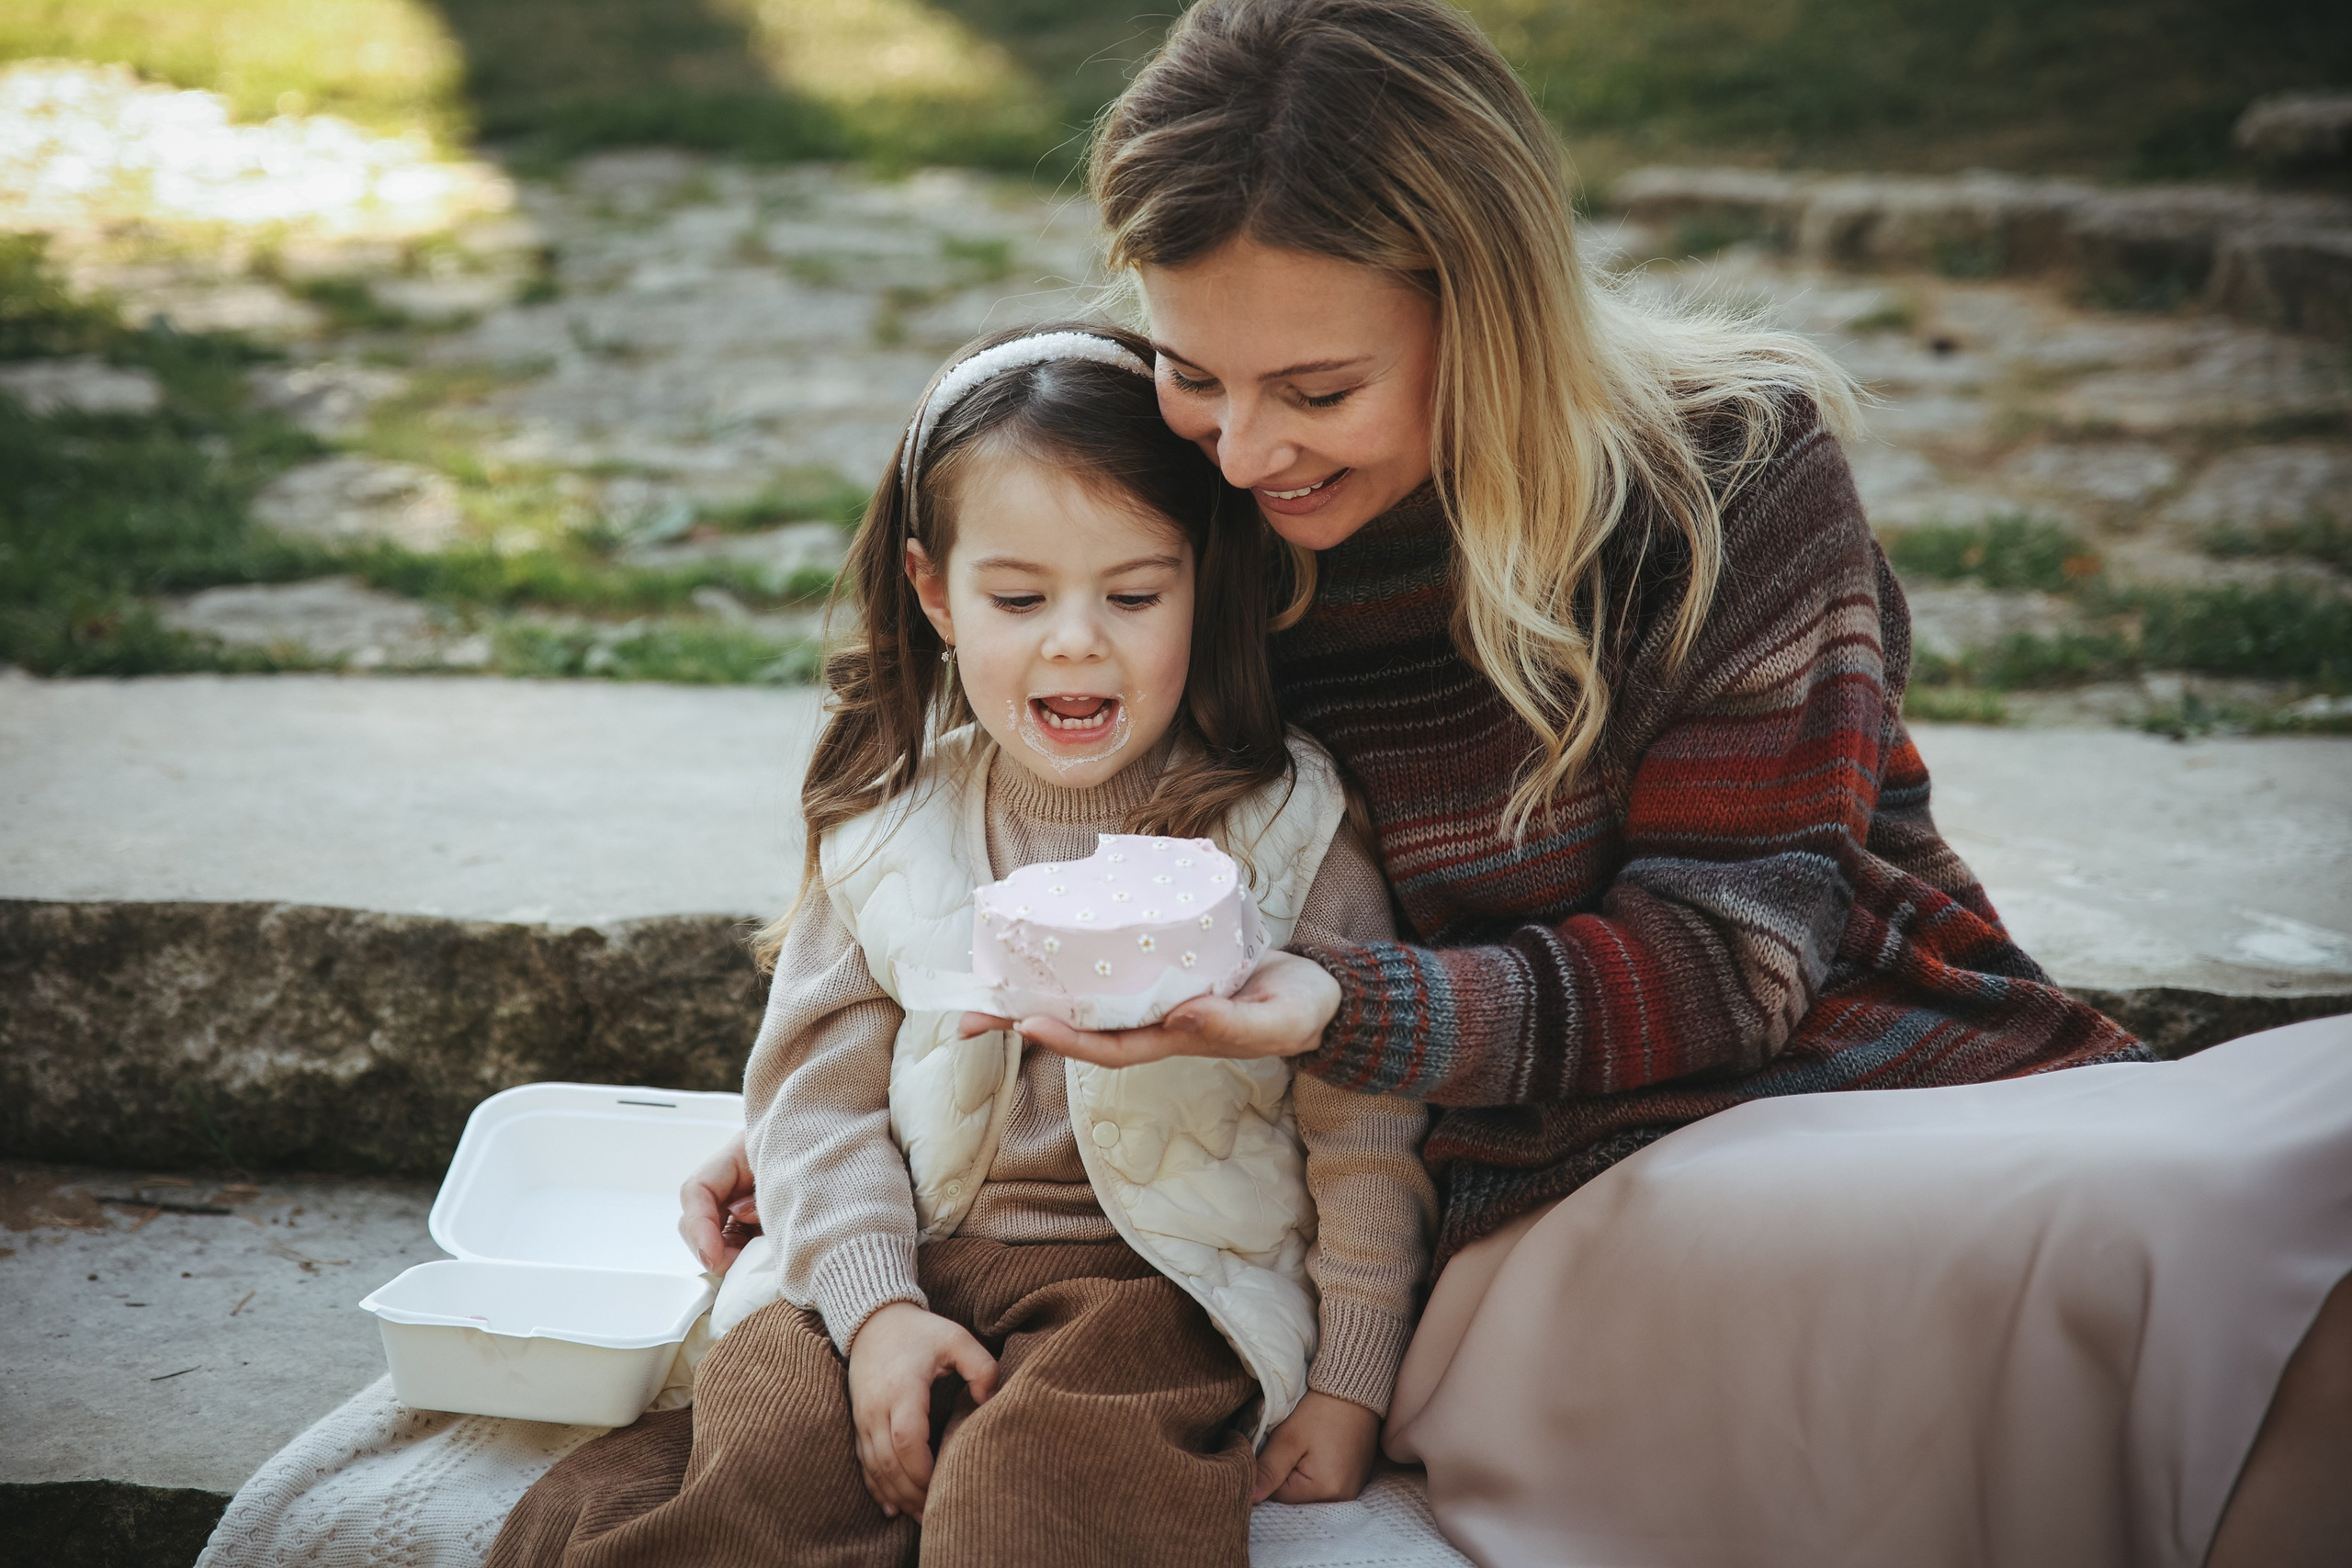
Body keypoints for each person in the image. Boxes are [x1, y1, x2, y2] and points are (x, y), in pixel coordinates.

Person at [685, 4, 2352, 1564]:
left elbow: (1736, 960)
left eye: (1318, 391)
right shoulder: (1200, 519)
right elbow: (1048, 829)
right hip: (1533, 1192)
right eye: (1196, 370)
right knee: (2198, 1254)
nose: (1248, 453)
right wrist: (841, 1115)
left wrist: (1338, 1002)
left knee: (2278, 1209)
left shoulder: (1730, 482)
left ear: (1488, 314)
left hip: (1866, 1075)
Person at [491, 322, 1435, 1568]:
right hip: (896, 1252)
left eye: (1135, 595)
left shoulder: (1288, 824)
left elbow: (1364, 1121)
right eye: (1019, 596)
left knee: (1038, 1499)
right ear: (936, 593)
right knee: (751, 1470)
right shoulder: (890, 827)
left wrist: (1351, 1378)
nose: (1076, 641)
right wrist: (874, 1306)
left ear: (1205, 586)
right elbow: (812, 1103)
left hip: (1154, 1285)